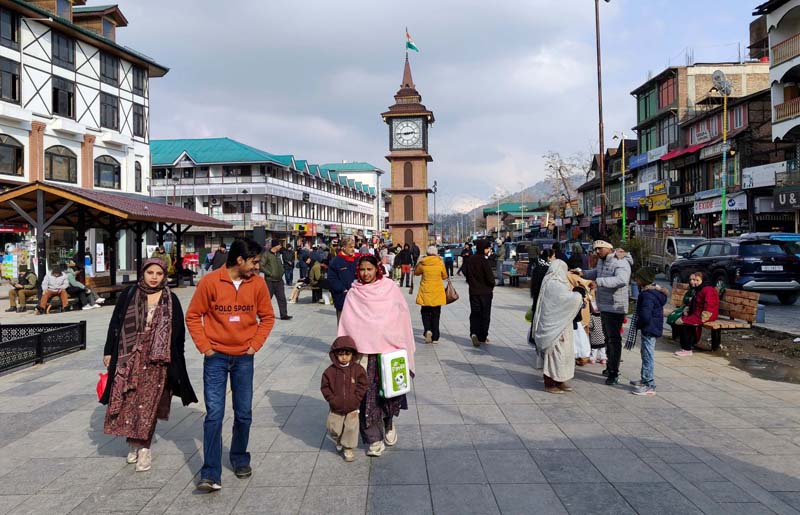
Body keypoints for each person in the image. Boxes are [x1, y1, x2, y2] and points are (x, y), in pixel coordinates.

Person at [186, 238, 275, 492]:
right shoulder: (210, 282)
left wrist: (254, 345)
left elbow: (267, 317)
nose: (257, 267)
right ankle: (211, 473)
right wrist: (206, 347)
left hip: (244, 358)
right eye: (254, 262)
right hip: (215, 358)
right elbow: (193, 316)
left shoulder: (257, 284)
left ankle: (239, 457)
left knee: (244, 413)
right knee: (214, 415)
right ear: (240, 260)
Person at [101, 258, 197, 472]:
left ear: (165, 276)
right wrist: (109, 351)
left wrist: (177, 361)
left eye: (159, 273)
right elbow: (115, 323)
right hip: (129, 356)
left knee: (149, 403)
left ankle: (144, 448)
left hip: (158, 359)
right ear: (142, 273)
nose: (154, 277)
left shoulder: (171, 299)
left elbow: (178, 334)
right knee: (129, 400)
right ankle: (133, 442)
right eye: (150, 272)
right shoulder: (129, 295)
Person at [337, 255, 415, 457]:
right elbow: (347, 323)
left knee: (389, 394)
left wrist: (400, 342)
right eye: (362, 270)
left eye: (369, 269)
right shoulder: (354, 293)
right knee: (365, 398)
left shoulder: (389, 288)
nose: (365, 274)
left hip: (388, 353)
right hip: (363, 354)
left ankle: (388, 423)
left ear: (377, 269)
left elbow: (402, 316)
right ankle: (373, 439)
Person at [573, 240, 631, 386]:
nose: (597, 252)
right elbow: (596, 273)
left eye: (599, 249)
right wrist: (583, 273)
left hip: (615, 306)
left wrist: (599, 282)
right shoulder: (602, 261)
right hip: (604, 305)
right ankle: (610, 366)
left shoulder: (620, 261)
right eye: (595, 249)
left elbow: (622, 279)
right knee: (607, 339)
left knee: (613, 340)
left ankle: (613, 372)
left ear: (608, 248)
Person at [533, 260, 584, 394]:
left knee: (563, 354)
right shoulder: (554, 283)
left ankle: (560, 380)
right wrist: (578, 294)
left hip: (561, 324)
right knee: (554, 354)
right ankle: (550, 383)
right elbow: (567, 300)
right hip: (554, 328)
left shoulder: (553, 281)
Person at [321, 336, 368, 463]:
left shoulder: (358, 370)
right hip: (336, 406)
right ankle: (338, 438)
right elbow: (324, 387)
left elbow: (363, 385)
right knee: (334, 428)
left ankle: (348, 448)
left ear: (353, 354)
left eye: (347, 354)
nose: (344, 357)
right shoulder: (330, 371)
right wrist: (332, 399)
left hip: (352, 406)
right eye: (340, 354)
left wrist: (357, 398)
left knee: (351, 428)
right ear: (335, 355)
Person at [631, 268, 668, 396]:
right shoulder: (653, 293)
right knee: (645, 353)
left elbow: (645, 315)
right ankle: (644, 379)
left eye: (637, 278)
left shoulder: (647, 296)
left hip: (649, 328)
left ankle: (649, 385)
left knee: (648, 355)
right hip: (652, 327)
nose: (635, 281)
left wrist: (639, 323)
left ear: (642, 280)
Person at [673, 271, 719, 357]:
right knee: (683, 320)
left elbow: (710, 305)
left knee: (684, 323)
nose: (695, 282)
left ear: (703, 280)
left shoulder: (708, 289)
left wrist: (704, 317)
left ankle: (687, 349)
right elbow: (694, 302)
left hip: (705, 315)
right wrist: (687, 309)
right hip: (697, 313)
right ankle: (689, 344)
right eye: (694, 280)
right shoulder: (700, 289)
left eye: (697, 280)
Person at [465, 239, 495, 347]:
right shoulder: (484, 260)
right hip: (485, 292)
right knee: (485, 314)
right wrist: (492, 285)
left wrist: (471, 283)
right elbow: (490, 278)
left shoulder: (471, 259)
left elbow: (467, 274)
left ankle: (474, 333)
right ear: (484, 248)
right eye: (488, 248)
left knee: (475, 313)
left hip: (473, 292)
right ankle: (482, 336)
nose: (488, 250)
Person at [415, 245, 448, 344]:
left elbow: (416, 273)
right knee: (436, 314)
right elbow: (445, 276)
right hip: (437, 292)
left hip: (426, 291)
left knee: (425, 312)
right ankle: (435, 337)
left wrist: (419, 261)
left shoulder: (423, 263)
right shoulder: (440, 262)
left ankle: (428, 330)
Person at [260, 240, 292, 321]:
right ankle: (263, 315)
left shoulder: (278, 254)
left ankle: (284, 315)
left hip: (279, 280)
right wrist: (269, 273)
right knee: (267, 299)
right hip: (270, 281)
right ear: (275, 246)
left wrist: (282, 272)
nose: (281, 247)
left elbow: (281, 264)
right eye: (279, 245)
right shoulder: (266, 254)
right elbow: (261, 265)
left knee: (282, 298)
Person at [328, 237, 357, 323]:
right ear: (344, 247)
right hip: (342, 297)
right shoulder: (336, 261)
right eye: (350, 247)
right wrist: (342, 289)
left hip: (356, 297)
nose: (353, 249)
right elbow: (332, 279)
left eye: (353, 247)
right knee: (342, 324)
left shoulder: (356, 259)